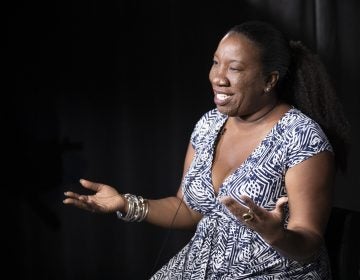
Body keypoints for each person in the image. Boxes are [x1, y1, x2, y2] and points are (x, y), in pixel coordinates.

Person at [63, 20, 350, 279]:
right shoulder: (208, 125)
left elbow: (308, 243)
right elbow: (187, 209)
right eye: (216, 63)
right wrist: (125, 203)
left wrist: (275, 234)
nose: (218, 77)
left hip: (274, 271)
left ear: (269, 80)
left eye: (234, 68)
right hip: (202, 267)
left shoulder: (303, 138)